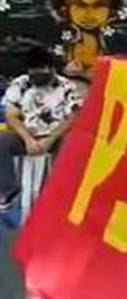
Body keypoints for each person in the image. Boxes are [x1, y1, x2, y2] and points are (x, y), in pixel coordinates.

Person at [0, 45, 83, 211]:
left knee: (72, 143)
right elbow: (11, 115)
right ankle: (7, 190)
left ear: (51, 68)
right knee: (2, 140)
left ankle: (61, 192)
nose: (36, 73)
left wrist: (49, 140)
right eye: (33, 70)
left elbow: (73, 117)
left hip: (55, 136)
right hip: (26, 136)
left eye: (41, 69)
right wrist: (28, 139)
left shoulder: (66, 87)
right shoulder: (20, 84)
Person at [46, 0, 127, 81]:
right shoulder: (55, 45)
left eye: (99, 5)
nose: (89, 14)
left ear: (113, 7)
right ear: (63, 7)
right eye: (79, 5)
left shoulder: (121, 45)